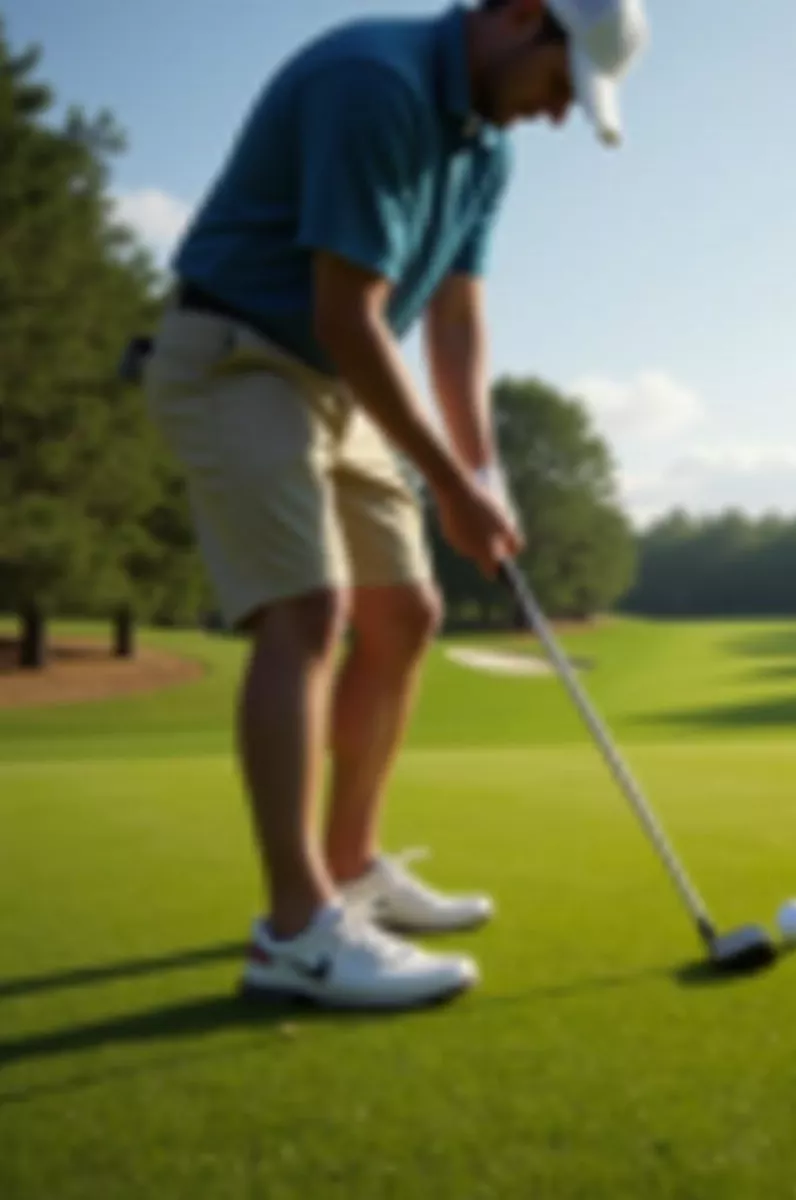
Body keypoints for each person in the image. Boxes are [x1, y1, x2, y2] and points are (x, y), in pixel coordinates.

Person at [140, 0, 649, 1010]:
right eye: (559, 84)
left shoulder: (485, 147)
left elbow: (455, 324)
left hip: (333, 378)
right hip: (238, 353)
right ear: (516, 16)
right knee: (307, 611)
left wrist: (484, 475)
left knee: (407, 613)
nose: (556, 114)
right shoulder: (372, 84)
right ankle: (295, 931)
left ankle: (351, 869)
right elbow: (348, 311)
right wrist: (449, 489)